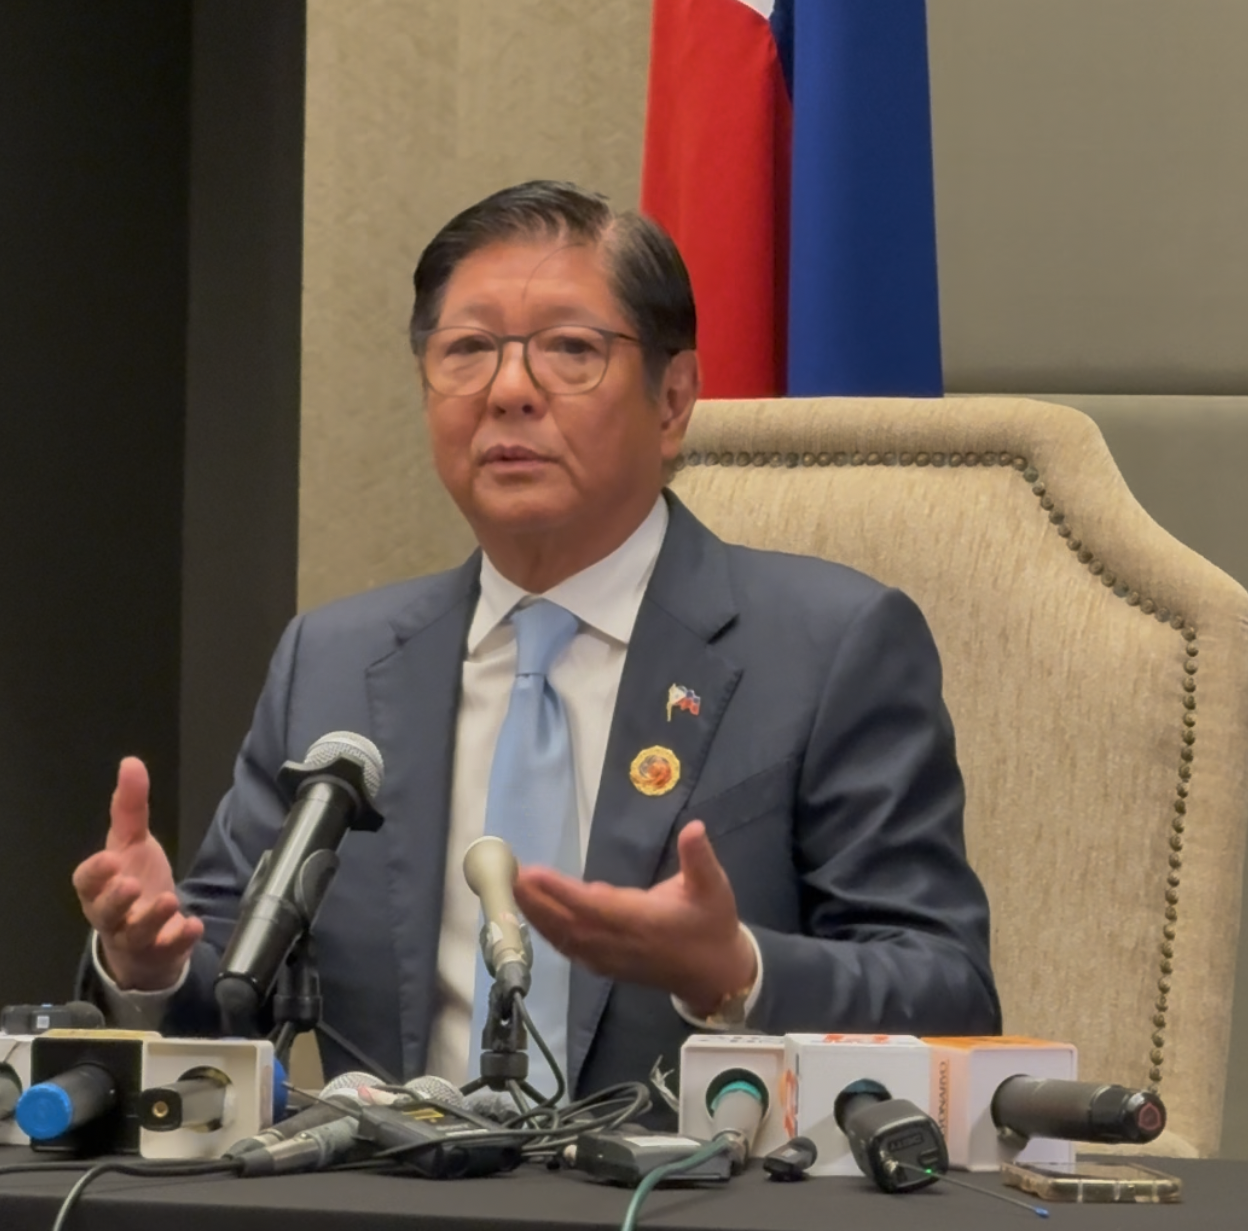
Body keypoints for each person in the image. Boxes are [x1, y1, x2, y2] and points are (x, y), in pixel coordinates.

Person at [72, 181, 999, 1094]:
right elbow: (225, 1002)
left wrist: (740, 971)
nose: (509, 390)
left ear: (673, 399)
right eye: (468, 349)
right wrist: (145, 963)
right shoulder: (336, 662)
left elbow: (950, 992)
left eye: (569, 349)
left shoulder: (828, 645)